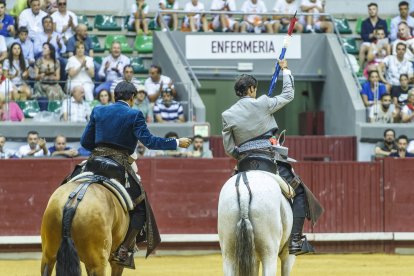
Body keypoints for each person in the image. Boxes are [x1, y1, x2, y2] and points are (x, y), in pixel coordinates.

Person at [80, 81, 192, 265]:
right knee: (140, 206)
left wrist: (102, 149)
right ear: (132, 98)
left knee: (70, 183)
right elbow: (149, 142)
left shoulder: (98, 111)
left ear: (115, 95)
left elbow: (85, 142)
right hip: (118, 166)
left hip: (93, 163)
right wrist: (177, 142)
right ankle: (123, 250)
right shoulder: (134, 114)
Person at [221, 59, 322, 255]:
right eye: (255, 89)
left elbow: (229, 148)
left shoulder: (227, 114)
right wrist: (285, 70)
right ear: (251, 89)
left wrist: (242, 155)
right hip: (269, 158)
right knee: (299, 191)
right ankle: (294, 240)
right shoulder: (264, 102)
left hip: (244, 162)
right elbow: (289, 94)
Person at [358, 2, 389, 68]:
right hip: (369, 43)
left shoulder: (383, 22)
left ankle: (388, 66)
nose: (372, 11)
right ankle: (360, 68)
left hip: (381, 42)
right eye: (370, 9)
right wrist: (373, 35)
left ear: (377, 10)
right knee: (362, 47)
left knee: (388, 46)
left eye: (374, 9)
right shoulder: (364, 22)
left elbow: (386, 35)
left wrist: (378, 36)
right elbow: (363, 36)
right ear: (368, 11)